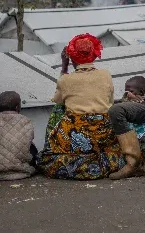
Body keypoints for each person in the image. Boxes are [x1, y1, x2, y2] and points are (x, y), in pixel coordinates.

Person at [40, 34, 126, 180]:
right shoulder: (106, 75)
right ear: (94, 55)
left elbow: (57, 100)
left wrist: (64, 66)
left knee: (58, 110)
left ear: (72, 58)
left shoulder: (66, 79)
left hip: (74, 134)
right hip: (103, 132)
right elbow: (110, 103)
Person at [0, 91, 37, 182]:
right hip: (22, 171)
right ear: (18, 107)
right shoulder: (26, 121)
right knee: (31, 145)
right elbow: (29, 142)